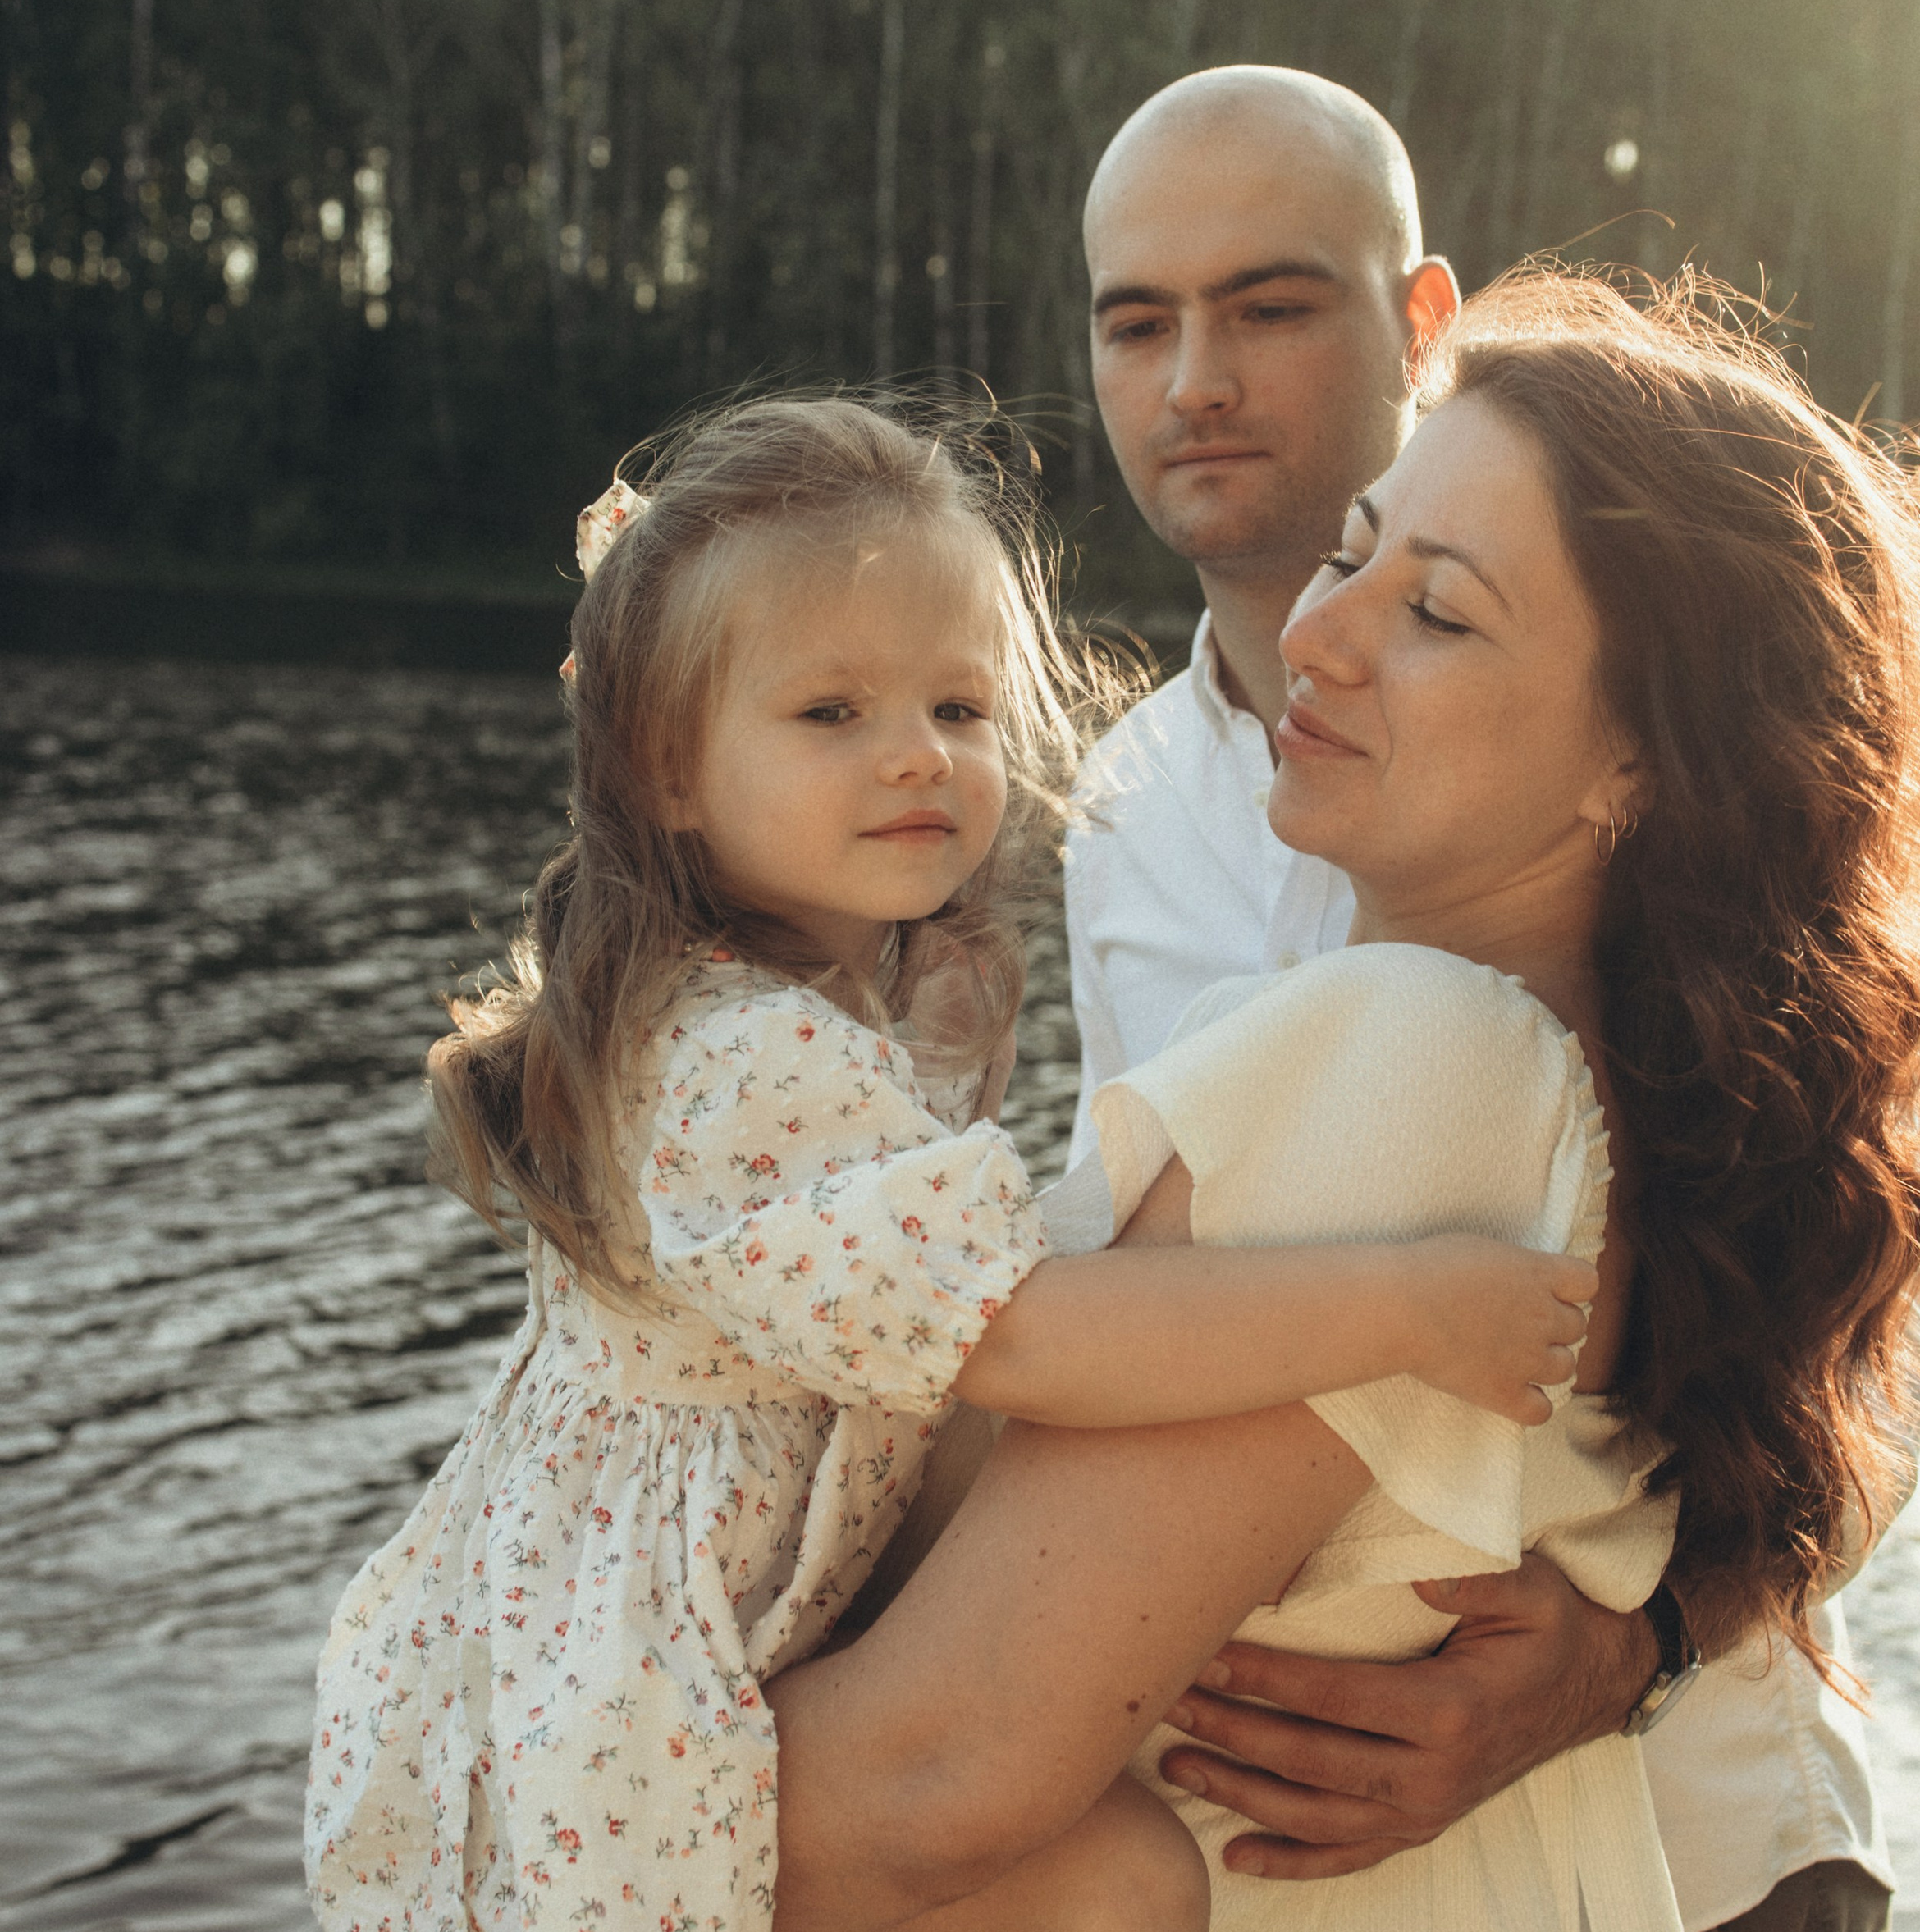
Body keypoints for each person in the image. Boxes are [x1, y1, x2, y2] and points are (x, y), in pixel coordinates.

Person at [764, 264, 1920, 1929]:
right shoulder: (1609, 1087)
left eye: (1437, 610)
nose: (1318, 632)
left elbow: (919, 1782)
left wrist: (511, 1749)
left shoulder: (1422, 1056)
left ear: (1643, 766)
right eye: (1352, 551)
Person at [300, 395, 1601, 1932]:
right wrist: (1408, 1309)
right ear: (664, 767)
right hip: (628, 1692)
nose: (915, 758)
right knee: (1120, 1887)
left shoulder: (828, 997)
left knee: (1120, 1878)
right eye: (831, 714)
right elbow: (1024, 1336)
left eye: (960, 711)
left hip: (703, 1622)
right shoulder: (735, 1055)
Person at [1065, 65, 1887, 1930]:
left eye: (1267, 304)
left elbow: (1861, 1305)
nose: (1194, 374)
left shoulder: (1661, 689)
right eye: (1137, 319)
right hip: (1325, 1858)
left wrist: (1636, 1645)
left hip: (1698, 1832)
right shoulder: (1114, 801)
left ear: (1418, 319)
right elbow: (1158, 1283)